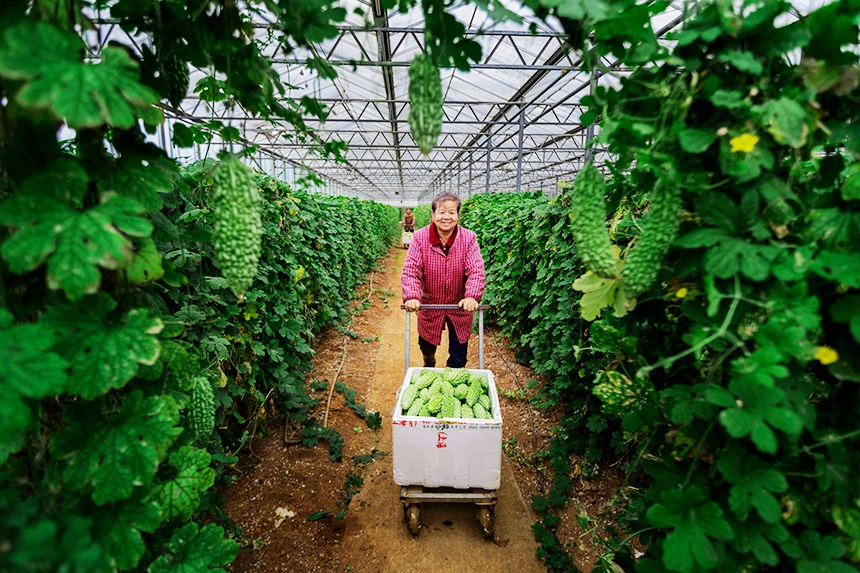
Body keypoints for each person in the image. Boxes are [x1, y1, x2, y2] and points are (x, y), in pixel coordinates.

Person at [401, 192, 485, 368]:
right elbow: (411, 270)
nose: (446, 217)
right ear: (433, 215)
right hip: (430, 304)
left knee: (459, 353)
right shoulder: (419, 237)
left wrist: (471, 296)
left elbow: (476, 270)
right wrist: (412, 296)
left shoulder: (469, 238)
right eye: (441, 212)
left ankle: (453, 377)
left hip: (459, 304)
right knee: (426, 345)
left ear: (458, 215)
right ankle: (429, 361)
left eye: (452, 212)